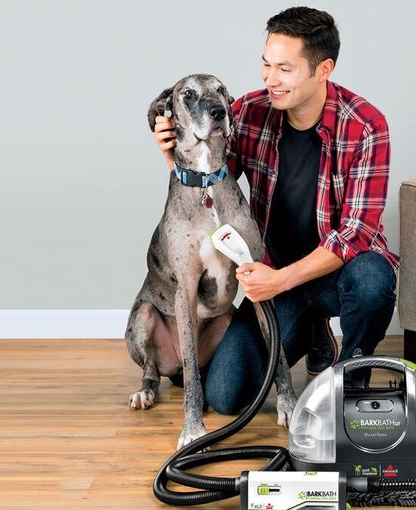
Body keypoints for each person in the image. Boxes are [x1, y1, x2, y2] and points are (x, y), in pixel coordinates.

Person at [152, 6, 399, 414]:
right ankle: (315, 334)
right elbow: (212, 186)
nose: (270, 79)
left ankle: (349, 383)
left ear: (323, 69)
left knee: (374, 278)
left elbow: (358, 233)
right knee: (226, 394)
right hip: (277, 277)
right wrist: (176, 154)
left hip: (336, 275)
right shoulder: (248, 113)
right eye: (266, 65)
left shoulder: (366, 125)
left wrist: (279, 281)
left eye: (285, 69)